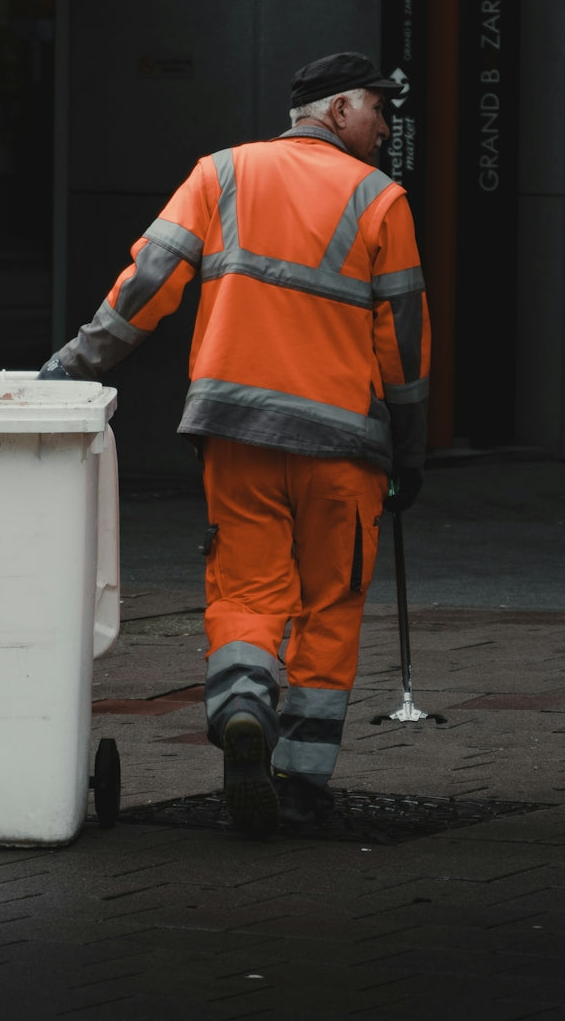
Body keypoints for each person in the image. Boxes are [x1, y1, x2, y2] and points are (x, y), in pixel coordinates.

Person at [38, 52, 430, 837]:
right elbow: (405, 343)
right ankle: (302, 783)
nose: (387, 128)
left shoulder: (220, 173)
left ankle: (244, 703)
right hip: (341, 443)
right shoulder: (383, 200)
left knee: (248, 590)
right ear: (338, 107)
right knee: (330, 603)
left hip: (236, 431)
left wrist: (69, 370)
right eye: (379, 111)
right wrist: (411, 447)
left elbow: (146, 284)